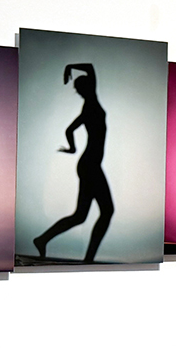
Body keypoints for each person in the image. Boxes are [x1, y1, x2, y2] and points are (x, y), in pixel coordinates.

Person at [32, 63, 115, 263]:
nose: (79, 92)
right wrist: (70, 67)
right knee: (106, 211)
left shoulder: (88, 107)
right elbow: (91, 69)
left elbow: (69, 130)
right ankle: (88, 259)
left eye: (79, 88)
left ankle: (43, 239)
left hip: (88, 164)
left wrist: (72, 148)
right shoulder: (91, 104)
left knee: (81, 216)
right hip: (90, 166)